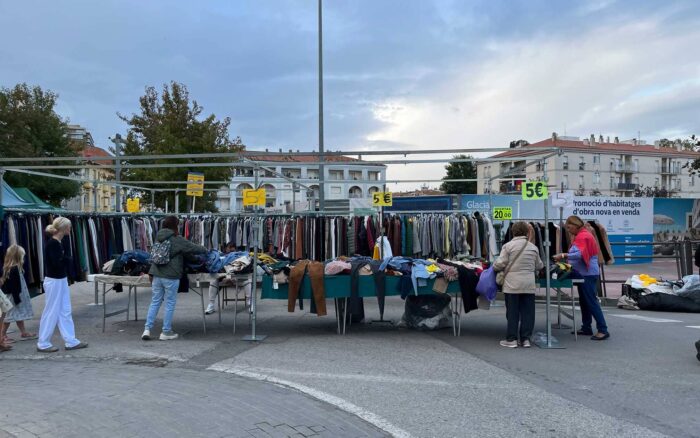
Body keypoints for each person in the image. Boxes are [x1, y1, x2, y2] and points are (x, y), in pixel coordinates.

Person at [142, 216, 207, 341]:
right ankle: (166, 332)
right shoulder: (177, 239)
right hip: (170, 276)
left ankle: (147, 329)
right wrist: (206, 250)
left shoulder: (158, 237)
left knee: (155, 302)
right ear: (175, 226)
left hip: (156, 274)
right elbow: (194, 248)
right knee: (170, 303)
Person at [554, 215, 610, 340]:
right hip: (585, 272)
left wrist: (563, 255)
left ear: (575, 225)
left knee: (591, 301)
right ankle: (586, 327)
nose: (568, 230)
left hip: (587, 273)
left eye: (569, 227)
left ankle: (603, 329)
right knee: (585, 302)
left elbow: (579, 254)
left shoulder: (583, 236)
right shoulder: (583, 235)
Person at [37, 217, 87, 353]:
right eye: (69, 227)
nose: (70, 229)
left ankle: (70, 341)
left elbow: (59, 262)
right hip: (54, 280)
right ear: (64, 228)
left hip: (59, 279)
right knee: (52, 311)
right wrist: (67, 260)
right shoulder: (53, 244)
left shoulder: (57, 242)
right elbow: (57, 263)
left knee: (64, 310)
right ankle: (43, 342)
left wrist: (66, 260)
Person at [493, 221, 544, 348]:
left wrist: (494, 266)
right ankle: (525, 339)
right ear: (527, 232)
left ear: (513, 232)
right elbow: (539, 265)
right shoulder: (533, 247)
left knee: (512, 312)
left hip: (512, 284)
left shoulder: (508, 246)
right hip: (528, 284)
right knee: (528, 313)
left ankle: (512, 339)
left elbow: (500, 264)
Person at [1, 245, 37, 344]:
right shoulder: (14, 269)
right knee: (9, 316)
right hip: (13, 297)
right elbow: (13, 287)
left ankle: (23, 332)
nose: (23, 257)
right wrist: (17, 299)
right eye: (22, 255)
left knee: (17, 314)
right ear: (17, 256)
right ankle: (2, 334)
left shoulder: (11, 267)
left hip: (15, 295)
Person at [206, 241, 237, 315]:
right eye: (229, 249)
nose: (230, 252)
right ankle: (211, 304)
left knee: (248, 279)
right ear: (226, 249)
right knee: (213, 281)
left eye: (232, 250)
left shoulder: (237, 255)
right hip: (222, 276)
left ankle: (250, 303)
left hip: (235, 275)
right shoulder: (221, 256)